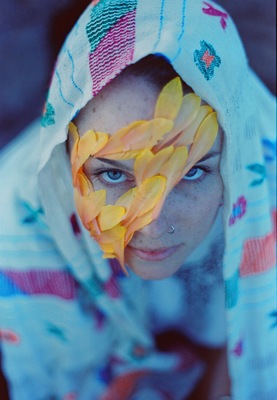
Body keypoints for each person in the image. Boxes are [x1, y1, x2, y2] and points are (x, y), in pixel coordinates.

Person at [0, 0, 276, 399]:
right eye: (113, 174)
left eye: (192, 172)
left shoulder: (264, 178)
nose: (151, 223)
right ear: (63, 150)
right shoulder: (15, 229)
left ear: (236, 154)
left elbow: (250, 339)